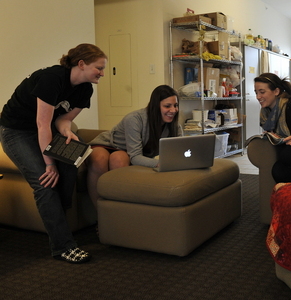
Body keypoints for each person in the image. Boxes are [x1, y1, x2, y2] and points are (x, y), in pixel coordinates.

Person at [0, 43, 107, 264]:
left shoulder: (86, 88)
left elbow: (63, 119)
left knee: (71, 160)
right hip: (16, 131)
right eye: (99, 68)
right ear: (81, 64)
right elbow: (42, 124)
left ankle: (60, 218)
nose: (102, 73)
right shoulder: (52, 78)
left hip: (44, 129)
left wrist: (68, 133)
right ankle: (63, 246)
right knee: (45, 182)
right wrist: (49, 164)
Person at [86, 85, 181, 209]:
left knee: (119, 159)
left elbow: (178, 152)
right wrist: (160, 163)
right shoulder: (134, 119)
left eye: (175, 105)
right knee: (99, 159)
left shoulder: (175, 126)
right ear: (155, 106)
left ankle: (120, 211)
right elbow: (136, 157)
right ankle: (100, 214)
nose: (173, 110)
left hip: (126, 151)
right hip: (108, 144)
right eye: (167, 106)